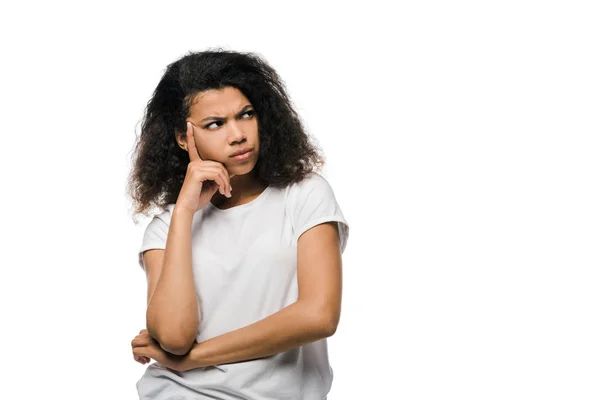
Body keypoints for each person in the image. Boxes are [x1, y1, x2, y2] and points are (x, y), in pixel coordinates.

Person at [126, 48, 350, 400]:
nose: (238, 134)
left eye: (246, 115)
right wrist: (184, 212)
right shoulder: (166, 227)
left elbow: (319, 316)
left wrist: (194, 359)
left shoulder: (304, 195)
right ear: (184, 138)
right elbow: (174, 337)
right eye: (215, 124)